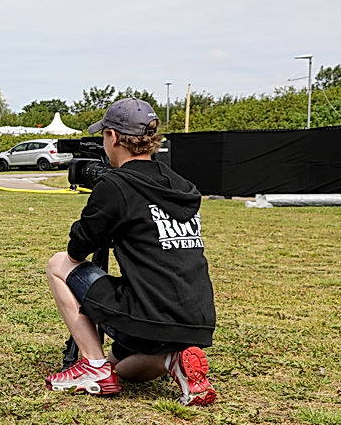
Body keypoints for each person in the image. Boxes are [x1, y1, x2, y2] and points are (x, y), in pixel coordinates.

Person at [44, 98, 217, 405]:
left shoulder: (117, 186)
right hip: (194, 318)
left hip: (149, 311)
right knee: (121, 368)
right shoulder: (180, 185)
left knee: (58, 264)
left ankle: (92, 366)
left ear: (112, 137)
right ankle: (175, 360)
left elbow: (76, 251)